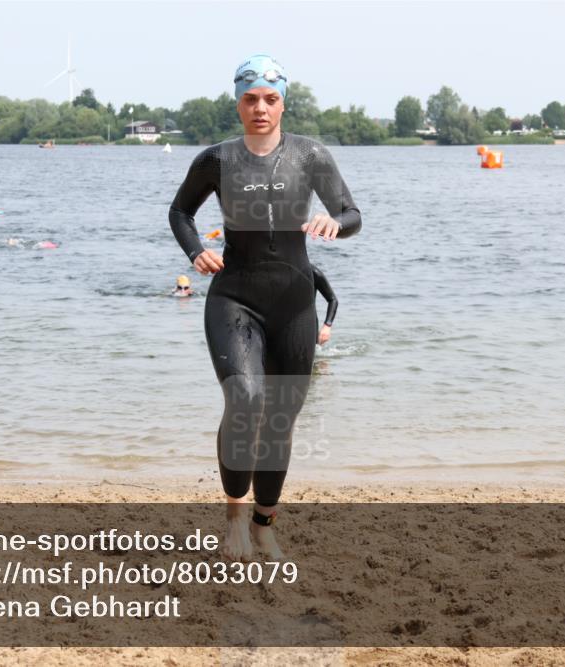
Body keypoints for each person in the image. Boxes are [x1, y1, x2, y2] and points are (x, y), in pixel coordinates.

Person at [169, 54, 361, 560]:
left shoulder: (310, 155)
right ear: (238, 103)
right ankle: (234, 516)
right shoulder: (217, 159)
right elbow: (181, 211)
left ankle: (264, 525)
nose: (260, 108)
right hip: (234, 296)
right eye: (251, 99)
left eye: (270, 99)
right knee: (246, 400)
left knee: (280, 417)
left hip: (295, 303)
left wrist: (334, 223)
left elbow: (352, 213)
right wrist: (196, 250)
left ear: (283, 104)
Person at [311, 264, 337, 346]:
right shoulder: (275, 270)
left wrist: (327, 326)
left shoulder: (312, 272)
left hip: (309, 328)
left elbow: (333, 300)